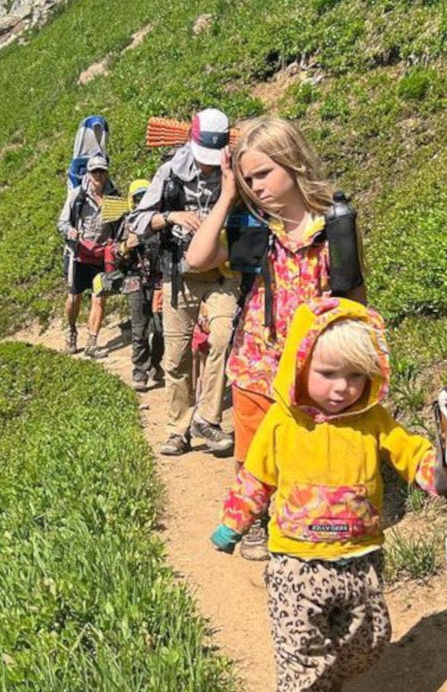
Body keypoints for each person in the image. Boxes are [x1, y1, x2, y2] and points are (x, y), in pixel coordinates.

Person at [209, 298, 447, 692]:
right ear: (300, 365)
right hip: (296, 559)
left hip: (361, 557)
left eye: (355, 376)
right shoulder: (283, 422)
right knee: (299, 641)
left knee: (369, 640)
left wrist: (441, 475)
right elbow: (256, 478)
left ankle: (325, 680)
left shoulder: (372, 421)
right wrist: (234, 523)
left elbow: (411, 453)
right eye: (329, 373)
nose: (342, 388)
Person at [187, 116, 361, 561]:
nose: (255, 186)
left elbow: (356, 299)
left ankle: (310, 518)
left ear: (293, 161)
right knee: (251, 452)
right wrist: (227, 196)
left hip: (312, 367)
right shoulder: (252, 228)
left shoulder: (334, 226)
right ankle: (253, 522)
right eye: (248, 178)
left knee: (311, 450)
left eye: (263, 173)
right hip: (256, 363)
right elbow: (197, 257)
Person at [127, 107, 237, 457]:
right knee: (175, 360)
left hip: (222, 274)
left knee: (222, 336)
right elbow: (137, 221)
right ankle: (178, 430)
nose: (207, 166)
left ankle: (209, 418)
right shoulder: (170, 173)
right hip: (178, 276)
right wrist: (170, 216)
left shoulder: (232, 172)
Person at [58, 154, 120, 356]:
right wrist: (71, 233)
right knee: (74, 297)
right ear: (88, 173)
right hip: (79, 255)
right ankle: (72, 331)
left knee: (99, 297)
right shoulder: (78, 195)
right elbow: (62, 223)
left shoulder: (113, 196)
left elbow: (118, 226)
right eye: (95, 172)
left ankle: (92, 342)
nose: (99, 176)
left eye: (102, 171)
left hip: (102, 255)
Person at [118, 178, 165, 390]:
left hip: (158, 280)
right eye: (137, 199)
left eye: (145, 197)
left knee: (161, 327)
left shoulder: (159, 222)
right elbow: (112, 254)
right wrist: (126, 247)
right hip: (134, 280)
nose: (141, 202)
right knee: (139, 327)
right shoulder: (125, 223)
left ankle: (156, 364)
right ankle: (140, 370)